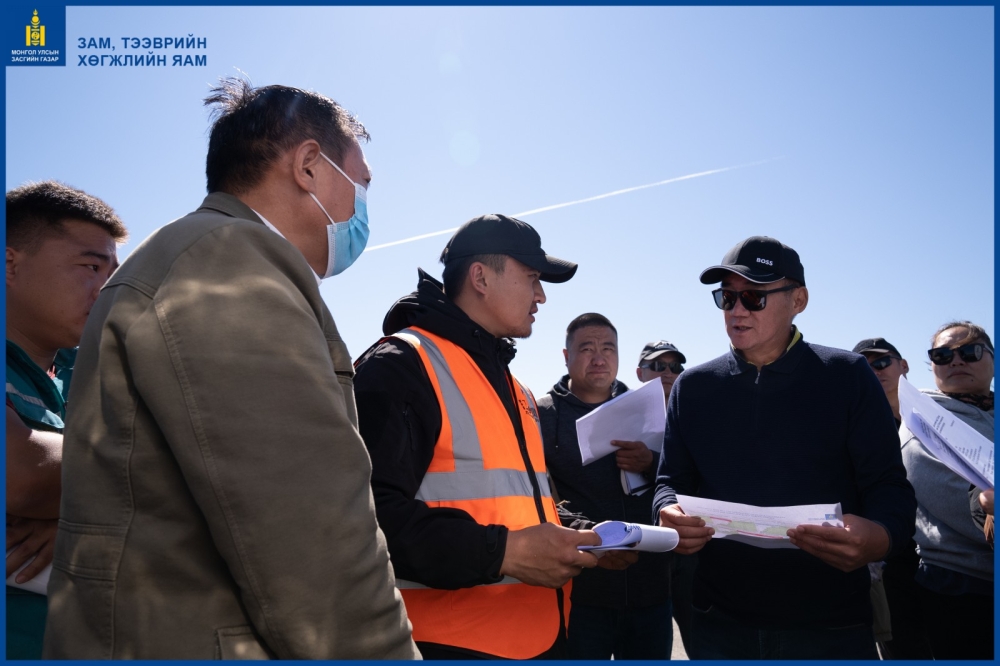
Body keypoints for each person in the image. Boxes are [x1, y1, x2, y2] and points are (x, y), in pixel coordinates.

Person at [43, 78, 418, 660]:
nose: (362, 205)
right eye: (361, 183)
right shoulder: (230, 262)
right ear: (309, 166)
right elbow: (309, 540)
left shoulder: (198, 253)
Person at [653, 235, 916, 660]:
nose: (737, 310)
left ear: (799, 300)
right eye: (727, 297)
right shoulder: (693, 387)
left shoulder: (849, 376)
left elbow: (889, 487)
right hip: (719, 625)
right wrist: (667, 512)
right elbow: (670, 481)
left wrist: (881, 537)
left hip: (831, 627)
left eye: (754, 297)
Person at [353, 214, 601, 660]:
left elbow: (522, 500)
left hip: (541, 637)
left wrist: (583, 533)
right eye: (532, 278)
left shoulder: (514, 386)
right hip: (446, 645)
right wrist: (504, 553)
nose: (541, 296)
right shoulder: (401, 366)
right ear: (481, 278)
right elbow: (366, 519)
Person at [5, 181, 127, 659]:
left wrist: (78, 521)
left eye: (112, 273)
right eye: (91, 267)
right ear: (10, 264)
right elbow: (23, 477)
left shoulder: (99, 368)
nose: (107, 289)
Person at [538, 314, 672, 660]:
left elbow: (680, 477)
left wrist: (651, 462)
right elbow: (535, 498)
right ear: (566, 356)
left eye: (608, 349)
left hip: (651, 592)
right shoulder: (541, 416)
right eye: (587, 349)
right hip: (581, 595)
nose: (599, 358)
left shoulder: (647, 409)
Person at [900, 320, 994, 660]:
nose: (956, 360)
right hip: (963, 587)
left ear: (993, 359)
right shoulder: (922, 422)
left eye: (969, 351)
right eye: (942, 355)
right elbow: (958, 507)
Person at [851, 336, 928, 659]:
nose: (875, 371)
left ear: (904, 365)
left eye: (882, 362)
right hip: (890, 560)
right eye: (865, 366)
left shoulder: (937, 416)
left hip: (947, 559)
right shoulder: (851, 427)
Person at [635, 339, 696, 656]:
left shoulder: (698, 417)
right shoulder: (617, 415)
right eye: (658, 366)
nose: (668, 372)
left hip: (689, 555)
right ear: (640, 373)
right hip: (640, 558)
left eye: (675, 366)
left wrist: (651, 463)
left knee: (701, 645)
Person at [853, 337, 910, 426]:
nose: (874, 373)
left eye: (881, 363)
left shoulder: (931, 405)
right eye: (864, 369)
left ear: (904, 366)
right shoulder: (859, 427)